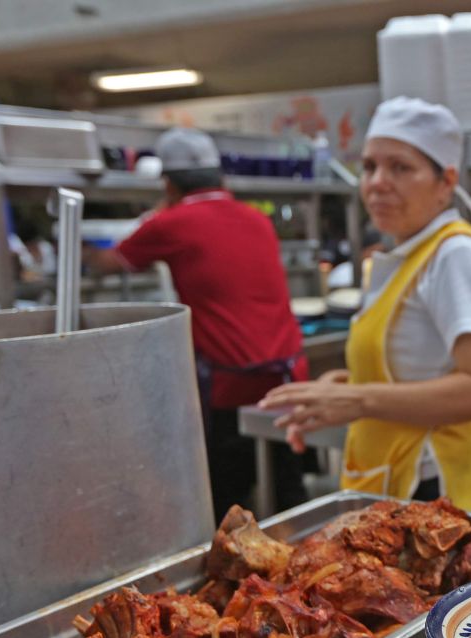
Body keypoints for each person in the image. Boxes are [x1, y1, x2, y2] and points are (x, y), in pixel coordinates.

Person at [259, 98, 471, 512]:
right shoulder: (405, 255)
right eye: (370, 167)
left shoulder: (456, 255)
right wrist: (343, 387)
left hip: (439, 491)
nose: (377, 182)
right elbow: (417, 368)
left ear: (446, 182)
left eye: (400, 167)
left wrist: (359, 400)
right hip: (401, 480)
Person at [86, 127, 309, 523]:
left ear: (168, 184)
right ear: (221, 178)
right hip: (287, 374)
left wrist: (71, 246)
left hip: (230, 383)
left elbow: (108, 263)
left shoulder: (170, 223)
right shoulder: (256, 219)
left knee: (229, 501)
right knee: (289, 489)